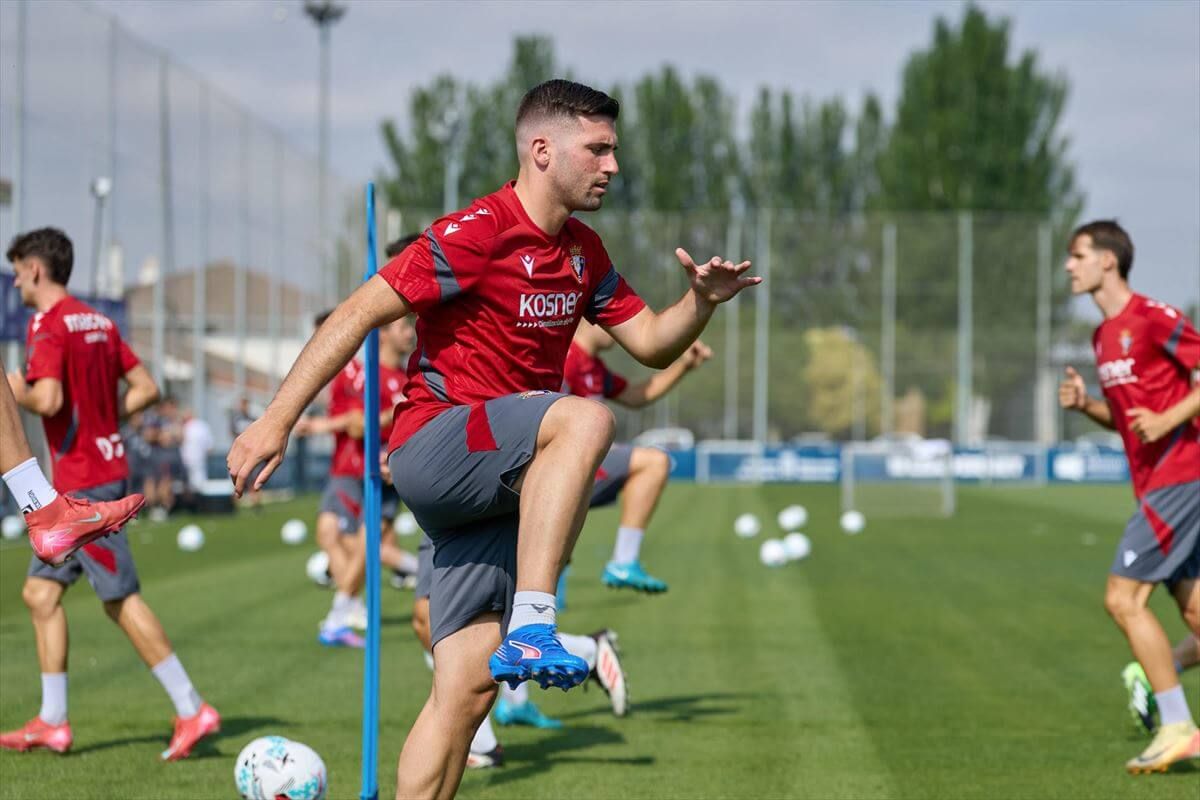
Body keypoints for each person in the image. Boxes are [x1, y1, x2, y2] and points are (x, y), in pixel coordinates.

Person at [228, 79, 758, 798]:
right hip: (434, 445)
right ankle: (537, 623)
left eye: (613, 150)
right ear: (542, 150)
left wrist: (700, 303)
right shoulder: (475, 230)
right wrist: (275, 420)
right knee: (587, 417)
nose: (612, 165)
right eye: (597, 149)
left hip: (491, 481)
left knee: (465, 694)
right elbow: (354, 313)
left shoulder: (583, 252)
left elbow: (653, 346)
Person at [1, 227, 219, 760]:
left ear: (34, 268)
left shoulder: (48, 323)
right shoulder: (98, 320)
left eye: (16, 271)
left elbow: (48, 399)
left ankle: (192, 708)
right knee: (41, 595)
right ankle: (53, 720)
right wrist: (103, 419)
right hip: (106, 467)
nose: (15, 283)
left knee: (120, 599)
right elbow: (145, 388)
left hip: (80, 485)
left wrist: (13, 389)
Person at [1058, 219, 1200, 774]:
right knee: (1192, 612)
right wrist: (1086, 406)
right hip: (1157, 484)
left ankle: (1177, 726)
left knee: (1123, 598)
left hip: (1181, 477)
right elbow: (1127, 424)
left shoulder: (1152, 318)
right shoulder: (1101, 337)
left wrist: (1168, 417)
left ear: (1107, 262)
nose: (1070, 266)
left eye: (1077, 255)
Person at [409, 531, 627, 768]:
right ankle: (586, 651)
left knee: (453, 623)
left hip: (475, 513)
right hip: (439, 513)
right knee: (436, 622)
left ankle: (480, 743)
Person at [294, 310, 419, 645]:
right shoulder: (365, 373)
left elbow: (363, 422)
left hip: (382, 469)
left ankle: (345, 610)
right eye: (403, 326)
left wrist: (397, 414)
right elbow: (355, 422)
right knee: (338, 535)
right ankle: (357, 603)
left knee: (367, 544)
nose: (410, 333)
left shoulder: (410, 374)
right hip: (353, 468)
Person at [563, 320, 712, 594]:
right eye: (604, 320)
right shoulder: (566, 358)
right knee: (654, 462)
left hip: (584, 470)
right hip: (565, 471)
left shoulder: (593, 365)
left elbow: (635, 396)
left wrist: (684, 366)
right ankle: (622, 561)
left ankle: (620, 563)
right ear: (585, 319)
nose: (614, 330)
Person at [1, 353, 145, 565]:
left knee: (40, 595)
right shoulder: (58, 328)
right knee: (40, 594)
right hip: (90, 471)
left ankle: (45, 511)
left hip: (93, 473)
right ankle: (45, 511)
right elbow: (49, 402)